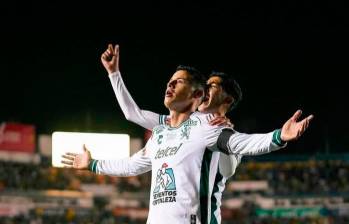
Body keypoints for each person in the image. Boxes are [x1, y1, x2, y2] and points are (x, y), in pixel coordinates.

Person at [62, 46, 313, 224]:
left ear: (200, 96)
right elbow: (132, 156)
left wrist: (279, 136)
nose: (169, 85)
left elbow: (239, 145)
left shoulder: (212, 128)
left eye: (178, 82)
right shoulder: (162, 131)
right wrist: (93, 164)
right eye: (170, 81)